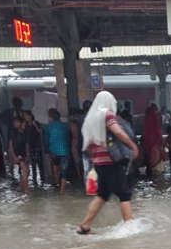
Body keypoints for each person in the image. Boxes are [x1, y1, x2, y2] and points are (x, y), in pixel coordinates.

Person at [76, 91, 140, 235]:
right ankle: (129, 226)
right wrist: (132, 146)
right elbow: (118, 132)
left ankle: (84, 226)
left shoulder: (90, 119)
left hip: (99, 162)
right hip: (112, 161)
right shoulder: (107, 115)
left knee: (102, 195)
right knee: (124, 194)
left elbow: (88, 145)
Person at [43, 108, 70, 192]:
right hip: (65, 151)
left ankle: (56, 183)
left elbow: (46, 140)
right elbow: (68, 138)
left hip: (53, 151)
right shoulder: (64, 126)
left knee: (55, 166)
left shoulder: (47, 127)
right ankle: (62, 191)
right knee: (64, 171)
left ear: (51, 117)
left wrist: (47, 151)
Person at [141, 104, 164, 177]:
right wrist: (160, 140)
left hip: (147, 140)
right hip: (154, 140)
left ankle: (149, 171)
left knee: (148, 156)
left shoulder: (146, 117)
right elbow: (157, 129)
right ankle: (153, 171)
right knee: (155, 157)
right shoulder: (154, 117)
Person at [8, 116, 30, 192]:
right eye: (14, 122)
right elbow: (11, 146)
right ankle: (27, 191)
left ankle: (21, 188)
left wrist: (27, 155)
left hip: (24, 154)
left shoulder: (25, 132)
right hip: (18, 154)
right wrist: (14, 157)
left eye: (16, 122)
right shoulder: (13, 132)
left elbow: (27, 145)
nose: (15, 123)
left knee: (25, 172)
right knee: (25, 170)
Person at [24, 111, 43, 185]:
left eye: (26, 116)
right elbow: (26, 138)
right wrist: (27, 150)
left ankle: (42, 180)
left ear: (30, 116)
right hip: (30, 147)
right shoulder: (25, 125)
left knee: (40, 164)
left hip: (37, 147)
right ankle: (35, 181)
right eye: (24, 116)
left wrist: (35, 126)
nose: (25, 117)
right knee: (33, 165)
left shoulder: (36, 123)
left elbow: (40, 132)